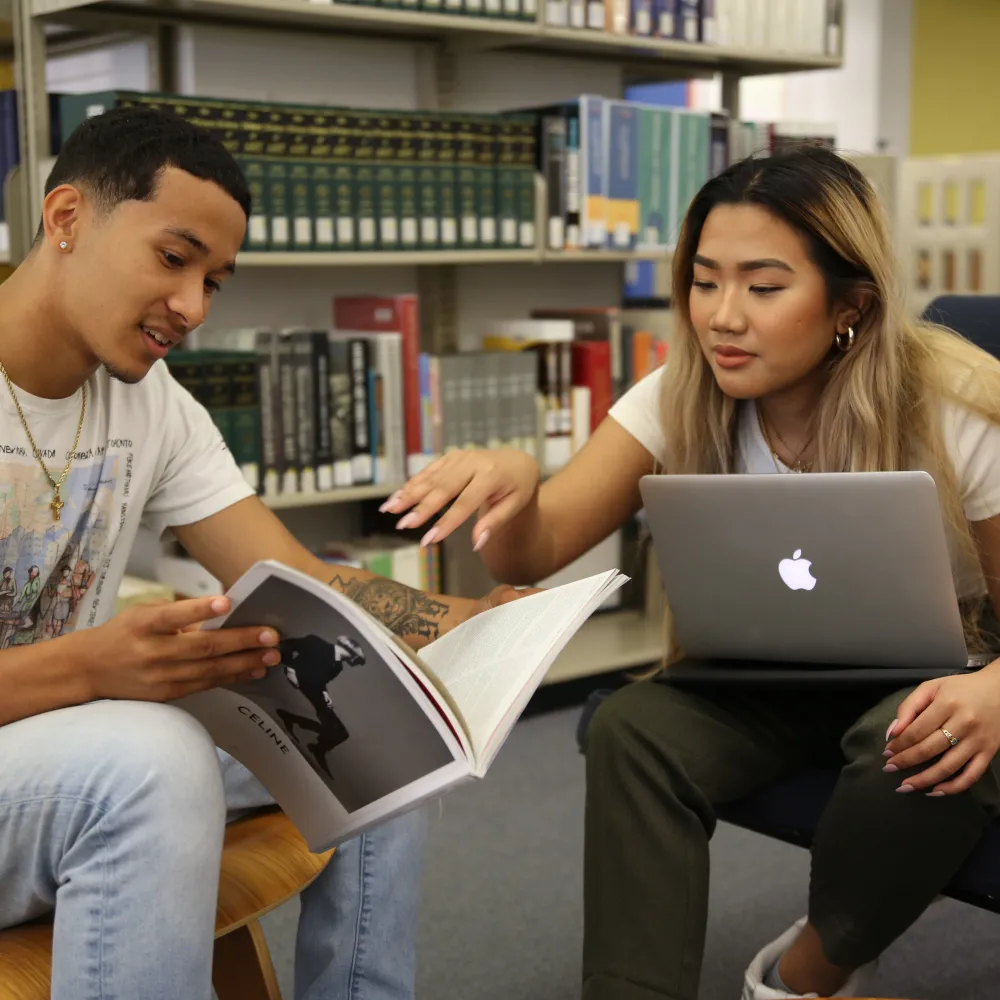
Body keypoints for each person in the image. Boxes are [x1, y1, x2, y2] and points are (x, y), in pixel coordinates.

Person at [384, 144, 1000, 999]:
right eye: (705, 280)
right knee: (632, 729)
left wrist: (994, 689)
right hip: (766, 680)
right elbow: (534, 550)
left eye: (764, 284)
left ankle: (803, 975)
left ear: (849, 304)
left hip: (944, 680)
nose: (722, 315)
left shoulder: (956, 403)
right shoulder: (684, 390)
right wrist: (519, 484)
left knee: (918, 739)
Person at [0, 103, 535, 1000]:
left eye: (215, 281)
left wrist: (477, 626)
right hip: (78, 750)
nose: (192, 307)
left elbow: (300, 577)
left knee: (372, 722)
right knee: (149, 762)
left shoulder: (153, 403)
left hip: (67, 747)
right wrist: (94, 666)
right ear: (66, 219)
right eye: (174, 259)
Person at [276, 632, 366, 779]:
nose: (353, 661)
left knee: (340, 733)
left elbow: (321, 680)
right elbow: (288, 645)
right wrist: (290, 667)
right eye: (353, 657)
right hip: (305, 684)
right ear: (349, 652)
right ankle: (316, 747)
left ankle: (312, 742)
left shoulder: (337, 667)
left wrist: (325, 693)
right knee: (338, 732)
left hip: (315, 689)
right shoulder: (316, 642)